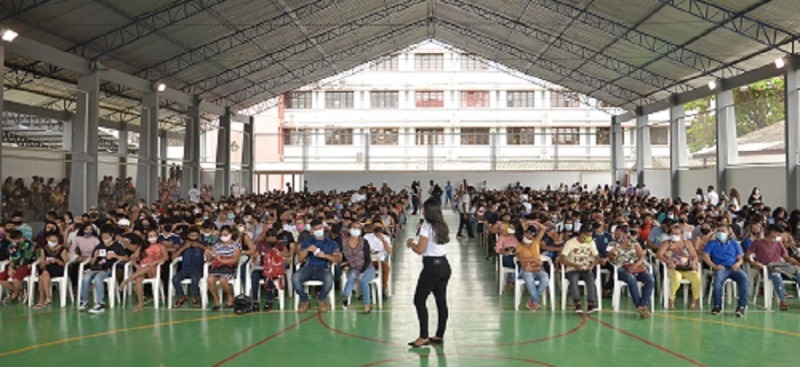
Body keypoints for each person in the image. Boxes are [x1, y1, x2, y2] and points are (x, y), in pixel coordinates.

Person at [407, 198, 451, 348]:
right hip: (444, 265)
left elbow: (420, 250)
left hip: (431, 267)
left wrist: (411, 243)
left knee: (419, 300)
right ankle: (439, 335)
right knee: (441, 301)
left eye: (424, 209)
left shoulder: (427, 226)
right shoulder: (441, 225)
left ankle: (423, 336)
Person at [746, 224, 800, 311]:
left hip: (781, 267)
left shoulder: (778, 244)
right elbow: (747, 256)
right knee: (776, 275)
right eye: (779, 234)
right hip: (767, 269)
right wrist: (755, 264)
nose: (780, 236)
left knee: (798, 273)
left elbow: (786, 256)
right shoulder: (758, 242)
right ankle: (782, 300)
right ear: (772, 233)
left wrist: (794, 261)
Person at [292, 219, 342, 313]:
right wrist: (307, 250)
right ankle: (305, 300)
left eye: (320, 228)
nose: (318, 230)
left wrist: (326, 256)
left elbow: (338, 259)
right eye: (316, 229)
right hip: (309, 267)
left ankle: (321, 299)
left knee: (329, 278)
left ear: (323, 228)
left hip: (323, 268)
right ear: (312, 231)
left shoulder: (331, 243)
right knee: (295, 278)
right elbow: (299, 259)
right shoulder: (307, 242)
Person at [79, 225, 128, 313]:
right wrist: (95, 257)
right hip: (96, 268)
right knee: (85, 278)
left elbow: (126, 258)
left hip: (109, 269)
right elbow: (91, 263)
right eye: (103, 236)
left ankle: (100, 303)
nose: (105, 238)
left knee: (98, 278)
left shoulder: (117, 246)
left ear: (112, 235)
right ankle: (84, 301)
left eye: (107, 236)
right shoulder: (99, 246)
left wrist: (115, 256)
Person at [702, 224, 749, 316]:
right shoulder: (712, 243)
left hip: (733, 267)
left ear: (729, 233)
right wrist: (714, 266)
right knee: (717, 282)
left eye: (723, 231)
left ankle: (741, 307)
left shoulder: (734, 244)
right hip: (721, 267)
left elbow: (740, 258)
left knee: (744, 279)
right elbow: (705, 255)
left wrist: (737, 264)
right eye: (718, 231)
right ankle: (717, 306)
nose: (720, 233)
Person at [608, 225, 654, 318]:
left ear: (625, 234)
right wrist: (613, 255)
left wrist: (636, 265)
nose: (616, 236)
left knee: (650, 279)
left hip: (635, 266)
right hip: (621, 267)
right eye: (615, 234)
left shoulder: (634, 243)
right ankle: (639, 306)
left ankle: (643, 305)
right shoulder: (612, 244)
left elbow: (641, 256)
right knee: (631, 279)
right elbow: (610, 258)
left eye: (619, 234)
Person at [120, 229, 169, 312]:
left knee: (147, 268)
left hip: (153, 268)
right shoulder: (143, 246)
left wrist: (154, 262)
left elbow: (166, 257)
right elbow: (133, 258)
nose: (152, 237)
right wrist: (137, 266)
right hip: (141, 268)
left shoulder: (161, 246)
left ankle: (126, 281)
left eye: (154, 236)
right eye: (150, 236)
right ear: (147, 237)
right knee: (138, 279)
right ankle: (140, 303)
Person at [657, 224, 702, 309]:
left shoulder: (687, 243)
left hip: (687, 268)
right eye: (673, 233)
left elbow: (694, 255)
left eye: (677, 233)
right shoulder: (666, 243)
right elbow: (659, 255)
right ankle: (671, 299)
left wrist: (694, 262)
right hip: (673, 268)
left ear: (682, 234)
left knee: (696, 277)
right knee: (677, 278)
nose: (675, 235)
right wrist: (668, 261)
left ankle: (695, 300)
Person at [559, 224, 601, 314]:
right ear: (581, 234)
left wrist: (593, 264)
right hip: (572, 269)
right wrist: (574, 265)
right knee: (573, 279)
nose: (589, 237)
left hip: (586, 268)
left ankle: (591, 303)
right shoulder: (570, 243)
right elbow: (562, 259)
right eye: (587, 235)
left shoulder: (591, 243)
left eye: (590, 235)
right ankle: (577, 303)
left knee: (591, 279)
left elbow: (597, 257)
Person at [341, 221, 376, 314]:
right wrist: (345, 265)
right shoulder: (344, 242)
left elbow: (368, 259)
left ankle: (367, 305)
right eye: (354, 227)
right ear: (349, 229)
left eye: (358, 228)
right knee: (352, 276)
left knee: (363, 280)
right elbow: (343, 258)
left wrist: (361, 271)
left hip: (367, 268)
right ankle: (345, 295)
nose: (356, 230)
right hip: (353, 267)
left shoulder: (364, 242)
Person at [205, 226, 241, 311]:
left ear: (231, 234)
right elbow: (209, 259)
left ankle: (230, 297)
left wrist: (223, 260)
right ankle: (216, 300)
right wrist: (208, 253)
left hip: (229, 266)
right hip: (217, 266)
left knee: (222, 280)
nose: (223, 237)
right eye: (222, 235)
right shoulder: (217, 245)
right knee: (210, 279)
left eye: (226, 234)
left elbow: (235, 259)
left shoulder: (236, 245)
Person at [516, 222, 549, 312]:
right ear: (524, 233)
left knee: (545, 278)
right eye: (528, 233)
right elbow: (521, 261)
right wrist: (532, 263)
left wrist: (533, 222)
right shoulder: (519, 245)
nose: (530, 235)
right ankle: (534, 302)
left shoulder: (536, 241)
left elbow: (543, 228)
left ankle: (532, 300)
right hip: (526, 268)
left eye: (532, 233)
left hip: (537, 268)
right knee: (529, 278)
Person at [171, 227, 206, 309]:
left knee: (194, 278)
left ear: (199, 235)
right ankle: (181, 296)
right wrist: (184, 248)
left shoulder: (202, 243)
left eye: (195, 235)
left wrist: (200, 246)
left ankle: (195, 297)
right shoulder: (183, 244)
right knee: (175, 279)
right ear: (188, 236)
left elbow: (211, 252)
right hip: (185, 270)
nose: (193, 237)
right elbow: (173, 257)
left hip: (197, 269)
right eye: (192, 235)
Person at [32, 232, 68, 309]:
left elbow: (65, 264)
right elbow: (42, 264)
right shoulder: (44, 249)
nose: (53, 243)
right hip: (47, 267)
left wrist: (57, 260)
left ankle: (43, 298)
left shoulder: (62, 249)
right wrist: (45, 262)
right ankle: (47, 297)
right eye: (51, 241)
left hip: (58, 268)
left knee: (42, 275)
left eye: (55, 241)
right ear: (47, 240)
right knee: (43, 274)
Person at [0, 230, 36, 304]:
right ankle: (20, 292)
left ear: (20, 237)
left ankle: (15, 295)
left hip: (26, 266)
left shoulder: (30, 244)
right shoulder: (11, 246)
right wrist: (10, 268)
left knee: (16, 279)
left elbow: (28, 258)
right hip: (15, 266)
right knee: (1, 278)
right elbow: (12, 258)